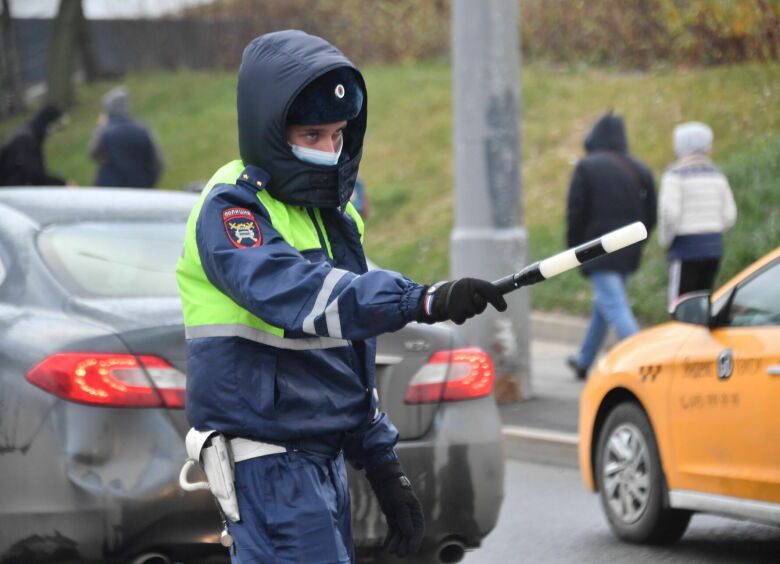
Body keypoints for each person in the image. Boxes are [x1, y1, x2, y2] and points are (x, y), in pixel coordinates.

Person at [175, 30, 506, 563]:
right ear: (269, 130)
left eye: (338, 134)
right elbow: (302, 297)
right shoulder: (234, 210)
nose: (329, 151)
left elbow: (346, 353)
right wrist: (419, 299)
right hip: (271, 464)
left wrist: (383, 465)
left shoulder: (330, 216)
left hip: (319, 465)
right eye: (312, 133)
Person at [565, 111, 656, 380]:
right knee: (605, 304)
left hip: (597, 249)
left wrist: (574, 251)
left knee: (614, 306)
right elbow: (652, 214)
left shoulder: (587, 167)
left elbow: (576, 213)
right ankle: (584, 359)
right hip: (628, 250)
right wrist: (638, 241)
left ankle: (647, 361)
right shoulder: (640, 169)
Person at [658, 121, 737, 308]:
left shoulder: (675, 174)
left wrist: (665, 241)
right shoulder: (717, 174)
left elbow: (670, 214)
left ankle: (682, 336)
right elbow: (729, 216)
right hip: (714, 248)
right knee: (702, 304)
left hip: (685, 249)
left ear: (680, 145)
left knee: (680, 305)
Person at [88, 86, 164, 188]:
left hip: (109, 189)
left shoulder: (105, 131)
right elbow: (158, 163)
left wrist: (100, 126)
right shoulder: (143, 130)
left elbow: (92, 152)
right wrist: (149, 183)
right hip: (139, 188)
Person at [0, 104, 67, 186]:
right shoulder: (26, 139)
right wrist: (62, 182)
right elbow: (34, 175)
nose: (56, 131)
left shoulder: (30, 136)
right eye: (57, 126)